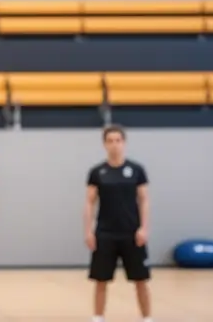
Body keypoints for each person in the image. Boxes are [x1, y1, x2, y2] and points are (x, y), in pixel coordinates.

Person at [84, 124, 151, 322]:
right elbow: (89, 202)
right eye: (110, 141)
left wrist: (144, 228)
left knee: (140, 279)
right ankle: (98, 317)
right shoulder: (97, 172)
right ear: (105, 144)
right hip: (105, 234)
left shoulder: (137, 170)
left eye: (118, 141)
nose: (114, 145)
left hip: (132, 233)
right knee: (101, 280)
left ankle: (147, 318)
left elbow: (144, 200)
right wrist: (88, 231)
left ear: (124, 143)